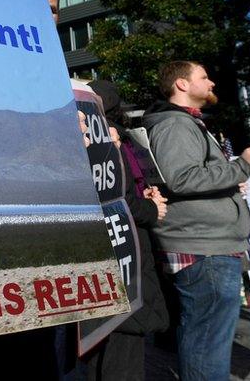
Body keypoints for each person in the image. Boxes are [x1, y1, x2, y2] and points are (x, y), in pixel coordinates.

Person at [142, 61, 250, 381]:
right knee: (208, 340)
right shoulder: (175, 125)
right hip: (203, 248)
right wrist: (242, 166)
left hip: (207, 244)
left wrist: (230, 179)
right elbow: (182, 178)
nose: (211, 82)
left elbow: (193, 176)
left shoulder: (187, 123)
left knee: (203, 335)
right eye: (204, 77)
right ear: (182, 85)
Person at [84, 79, 168, 381]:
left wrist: (143, 197)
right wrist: (152, 210)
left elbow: (123, 191)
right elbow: (119, 200)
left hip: (113, 252)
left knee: (105, 346)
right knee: (123, 349)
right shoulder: (104, 136)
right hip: (122, 253)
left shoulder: (98, 135)